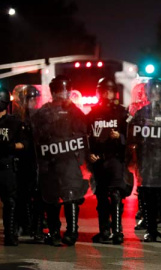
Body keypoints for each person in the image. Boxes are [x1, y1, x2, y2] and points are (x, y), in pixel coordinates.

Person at [31, 76, 89, 246]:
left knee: (71, 195)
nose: (62, 94)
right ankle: (54, 232)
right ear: (53, 91)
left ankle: (72, 232)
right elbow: (37, 135)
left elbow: (83, 132)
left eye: (65, 90)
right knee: (52, 196)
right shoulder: (44, 111)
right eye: (59, 90)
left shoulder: (74, 111)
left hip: (69, 160)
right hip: (51, 161)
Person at [127, 78, 161, 243]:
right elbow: (133, 137)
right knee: (149, 196)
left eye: (158, 92)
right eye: (152, 92)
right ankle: (151, 231)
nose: (155, 96)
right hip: (147, 161)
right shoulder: (142, 113)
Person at [87, 78, 130, 244]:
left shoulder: (122, 113)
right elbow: (86, 137)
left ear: (115, 92)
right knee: (101, 196)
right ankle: (104, 231)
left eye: (109, 91)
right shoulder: (92, 114)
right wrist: (89, 154)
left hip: (115, 159)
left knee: (116, 194)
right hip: (99, 161)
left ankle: (117, 232)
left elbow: (132, 136)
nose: (106, 94)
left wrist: (120, 137)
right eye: (103, 91)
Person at [11, 85, 45, 243]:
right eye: (29, 99)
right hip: (24, 160)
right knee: (22, 195)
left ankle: (37, 228)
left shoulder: (40, 116)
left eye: (34, 99)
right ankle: (23, 225)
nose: (32, 102)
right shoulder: (17, 118)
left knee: (39, 196)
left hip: (38, 160)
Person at [0, 87, 27, 246]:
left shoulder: (14, 122)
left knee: (10, 202)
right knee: (10, 202)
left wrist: (11, 146)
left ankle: (10, 235)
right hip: (6, 166)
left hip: (6, 167)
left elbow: (25, 144)